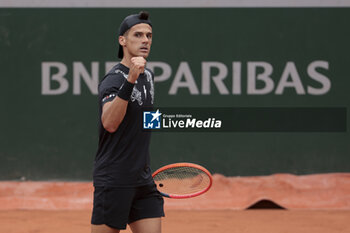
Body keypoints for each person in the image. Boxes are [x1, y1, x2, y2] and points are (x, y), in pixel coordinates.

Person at [91, 11, 164, 233]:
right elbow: (110, 123)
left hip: (143, 180)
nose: (145, 40)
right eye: (138, 35)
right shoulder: (114, 79)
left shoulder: (148, 76)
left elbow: (145, 122)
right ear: (122, 40)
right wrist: (130, 80)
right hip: (114, 180)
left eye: (149, 36)